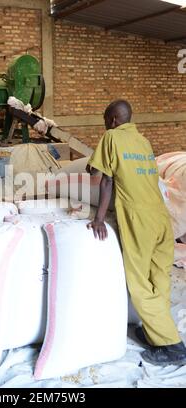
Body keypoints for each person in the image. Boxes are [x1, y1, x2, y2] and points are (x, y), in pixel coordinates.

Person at [86, 99, 186, 366]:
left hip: (138, 220)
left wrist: (98, 219)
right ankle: (156, 332)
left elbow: (104, 179)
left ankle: (172, 346)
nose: (105, 125)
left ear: (113, 120)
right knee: (159, 279)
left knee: (139, 284)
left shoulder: (111, 136)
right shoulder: (142, 141)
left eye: (106, 120)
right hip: (162, 218)